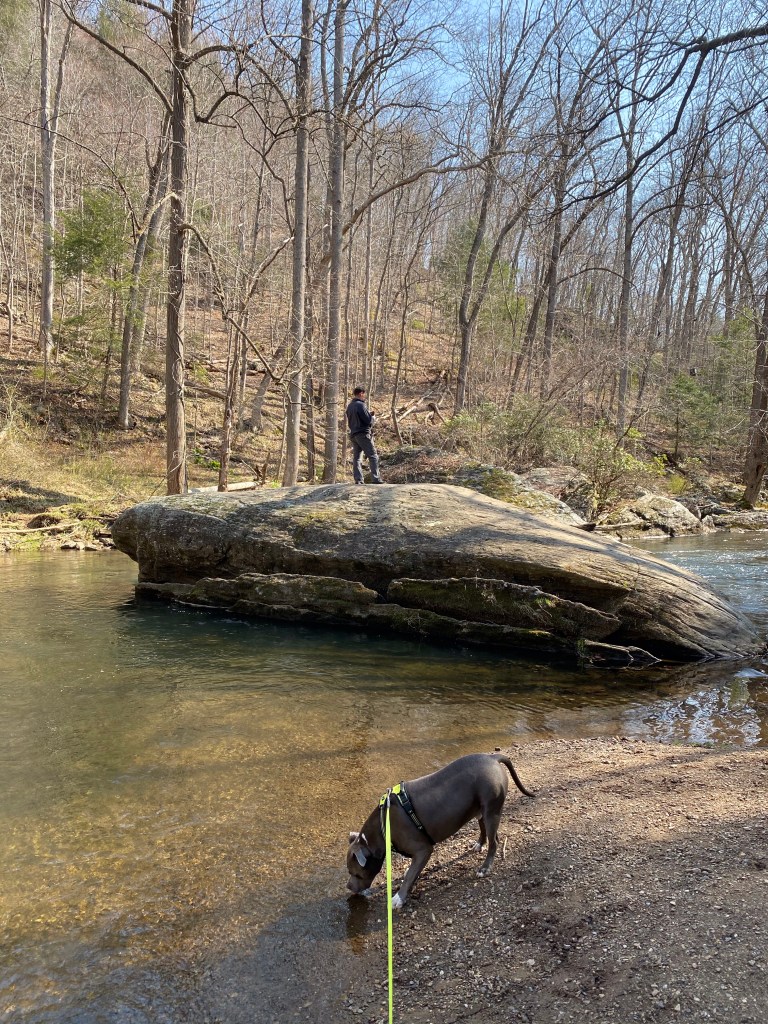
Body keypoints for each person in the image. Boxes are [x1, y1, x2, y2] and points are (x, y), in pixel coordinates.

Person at [345, 387, 383, 484]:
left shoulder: (350, 406)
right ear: (361, 393)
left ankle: (358, 480)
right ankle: (376, 478)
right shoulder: (361, 405)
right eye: (364, 394)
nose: (364, 396)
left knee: (357, 458)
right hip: (363, 433)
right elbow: (368, 420)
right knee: (373, 456)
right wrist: (372, 417)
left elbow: (355, 419)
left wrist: (368, 414)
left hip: (353, 434)